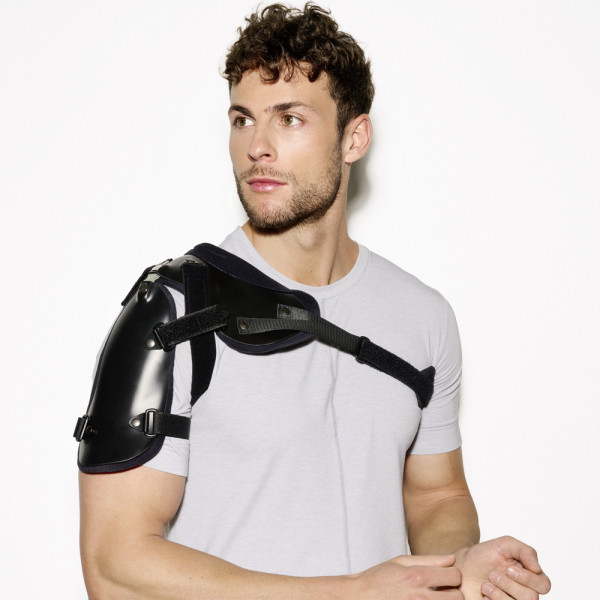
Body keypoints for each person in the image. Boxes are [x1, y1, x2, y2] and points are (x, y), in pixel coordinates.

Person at [78, 4, 551, 599]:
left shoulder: (423, 317)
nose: (258, 146)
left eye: (290, 119)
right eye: (243, 119)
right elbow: (113, 566)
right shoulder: (174, 310)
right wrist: (350, 592)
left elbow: (438, 494)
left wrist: (457, 565)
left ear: (354, 138)